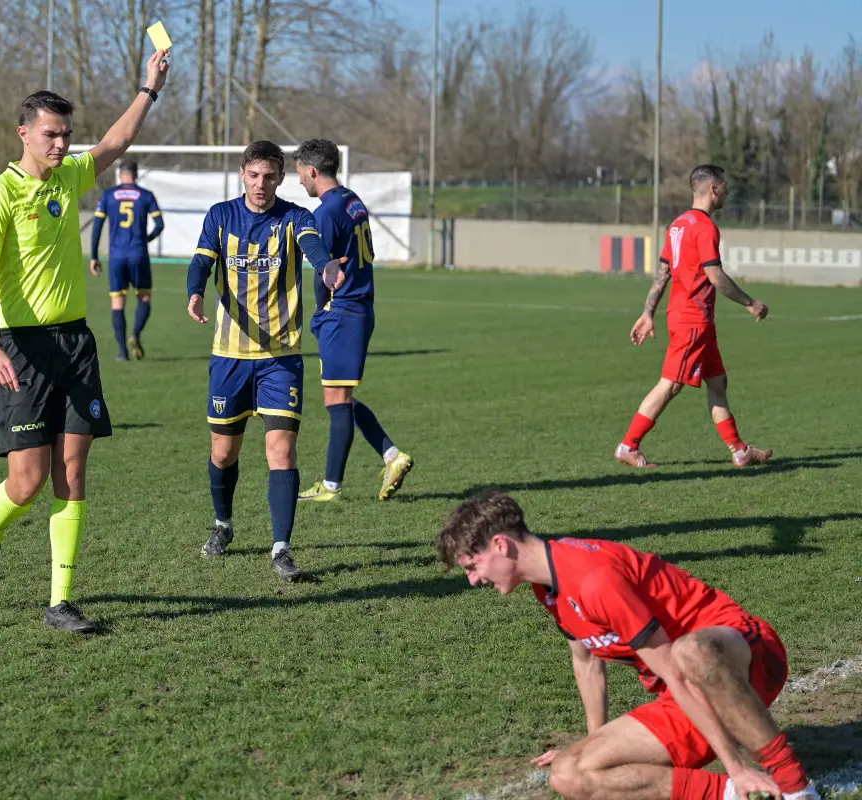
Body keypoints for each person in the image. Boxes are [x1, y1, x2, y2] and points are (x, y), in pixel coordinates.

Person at [0, 51, 170, 633]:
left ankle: (61, 602)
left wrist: (149, 88)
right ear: (24, 134)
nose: (61, 145)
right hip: (23, 350)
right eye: (51, 135)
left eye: (66, 135)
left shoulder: (69, 177)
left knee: (73, 473)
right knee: (26, 483)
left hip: (76, 344)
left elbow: (116, 143)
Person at [436, 492, 820, 800]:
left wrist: (735, 762)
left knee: (690, 652)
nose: (473, 580)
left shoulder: (593, 580)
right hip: (686, 690)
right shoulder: (547, 586)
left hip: (744, 657)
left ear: (501, 545)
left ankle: (795, 786)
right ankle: (735, 793)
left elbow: (677, 673)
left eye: (472, 566)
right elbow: (586, 663)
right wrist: (594, 742)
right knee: (569, 772)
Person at [186, 140, 347, 581]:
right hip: (230, 357)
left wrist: (326, 267)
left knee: (282, 450)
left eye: (270, 176)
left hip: (281, 358)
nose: (261, 184)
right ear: (242, 174)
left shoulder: (295, 217)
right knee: (223, 453)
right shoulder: (221, 216)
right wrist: (195, 292)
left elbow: (313, 247)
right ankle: (223, 524)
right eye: (254, 175)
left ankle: (281, 549)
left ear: (281, 178)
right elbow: (201, 261)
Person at [616, 164, 772, 470]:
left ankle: (740, 451)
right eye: (724, 186)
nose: (727, 191)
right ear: (713, 189)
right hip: (692, 320)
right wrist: (750, 302)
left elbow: (663, 272)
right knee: (671, 384)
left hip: (693, 319)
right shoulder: (705, 227)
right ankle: (628, 445)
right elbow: (715, 276)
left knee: (717, 383)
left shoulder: (677, 224)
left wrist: (648, 312)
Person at [291, 138, 413, 503]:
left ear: (313, 170)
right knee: (339, 396)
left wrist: (320, 311)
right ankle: (392, 455)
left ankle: (331, 485)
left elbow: (324, 270)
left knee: (337, 398)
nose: (300, 181)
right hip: (357, 308)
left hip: (342, 312)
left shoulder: (326, 213)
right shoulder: (351, 199)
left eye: (300, 174)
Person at [89, 159, 164, 361]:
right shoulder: (146, 195)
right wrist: (146, 239)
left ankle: (123, 353)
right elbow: (159, 225)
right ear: (136, 174)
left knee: (118, 303)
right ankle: (135, 334)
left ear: (120, 174)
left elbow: (97, 227)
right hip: (139, 254)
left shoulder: (109, 196)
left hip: (117, 256)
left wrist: (94, 256)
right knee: (144, 298)